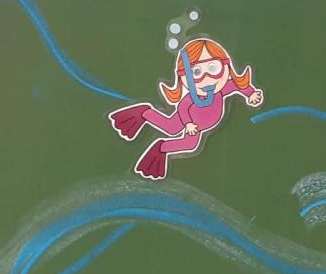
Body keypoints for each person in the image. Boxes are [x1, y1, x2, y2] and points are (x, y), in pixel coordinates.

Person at [109, 38, 262, 180]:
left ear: (225, 66)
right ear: (184, 76)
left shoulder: (221, 91)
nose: (207, 77)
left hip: (200, 127)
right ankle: (144, 112)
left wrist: (251, 94)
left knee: (190, 145)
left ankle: (161, 148)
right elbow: (183, 108)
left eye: (213, 68)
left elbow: (237, 86)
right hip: (190, 122)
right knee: (171, 129)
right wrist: (188, 123)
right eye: (197, 72)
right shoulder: (190, 99)